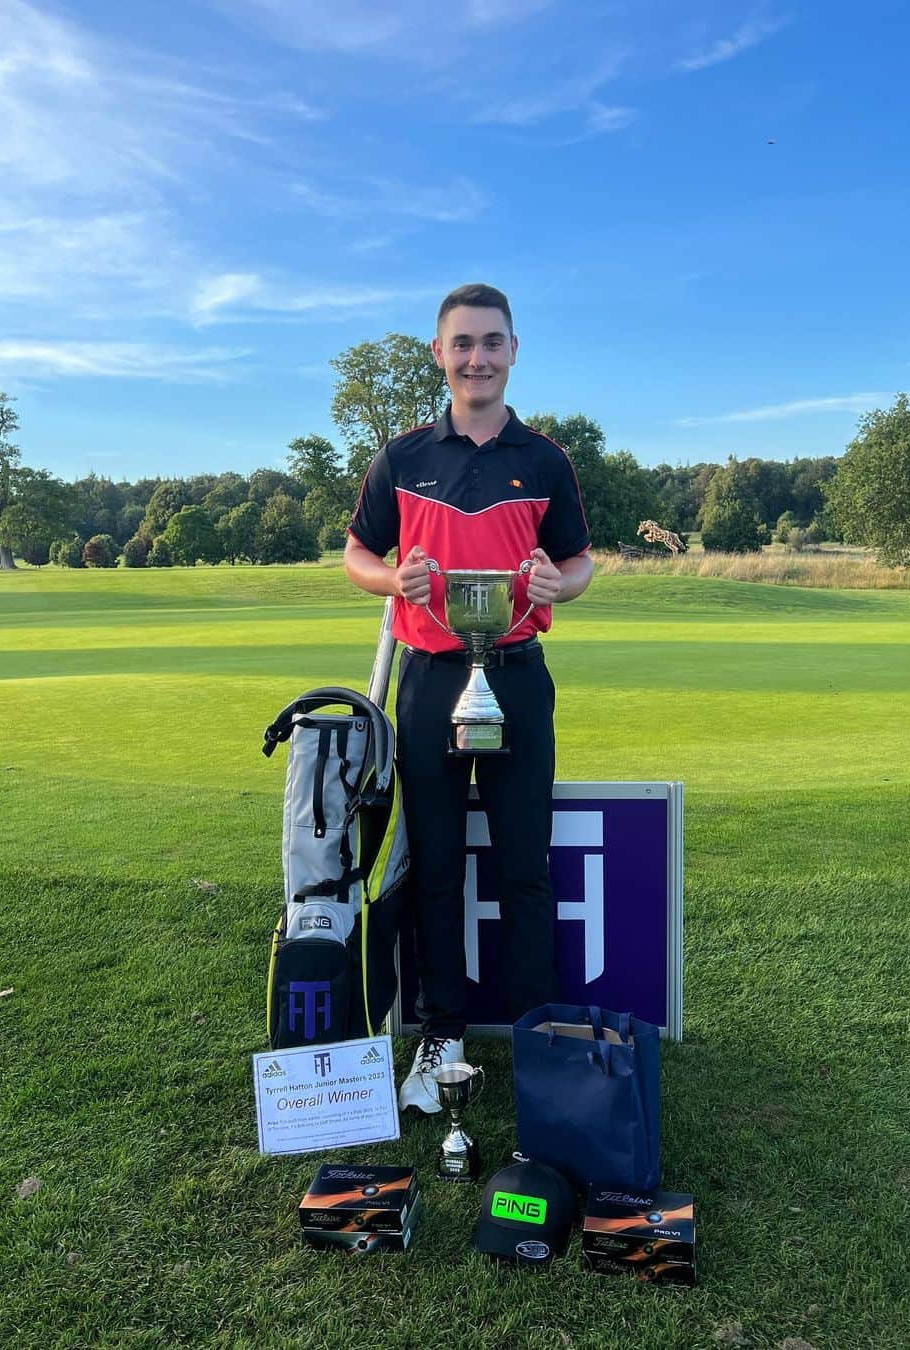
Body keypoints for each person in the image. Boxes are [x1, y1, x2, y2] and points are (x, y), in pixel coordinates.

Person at [344, 283, 593, 1112]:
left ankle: (537, 1038)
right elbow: (355, 554)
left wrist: (565, 581)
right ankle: (440, 1035)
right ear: (439, 354)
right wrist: (391, 576)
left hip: (515, 673)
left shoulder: (546, 459)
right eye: (463, 344)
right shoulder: (403, 456)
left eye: (492, 342)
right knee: (437, 867)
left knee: (526, 868)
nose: (477, 358)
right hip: (430, 679)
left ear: (514, 351)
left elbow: (578, 563)